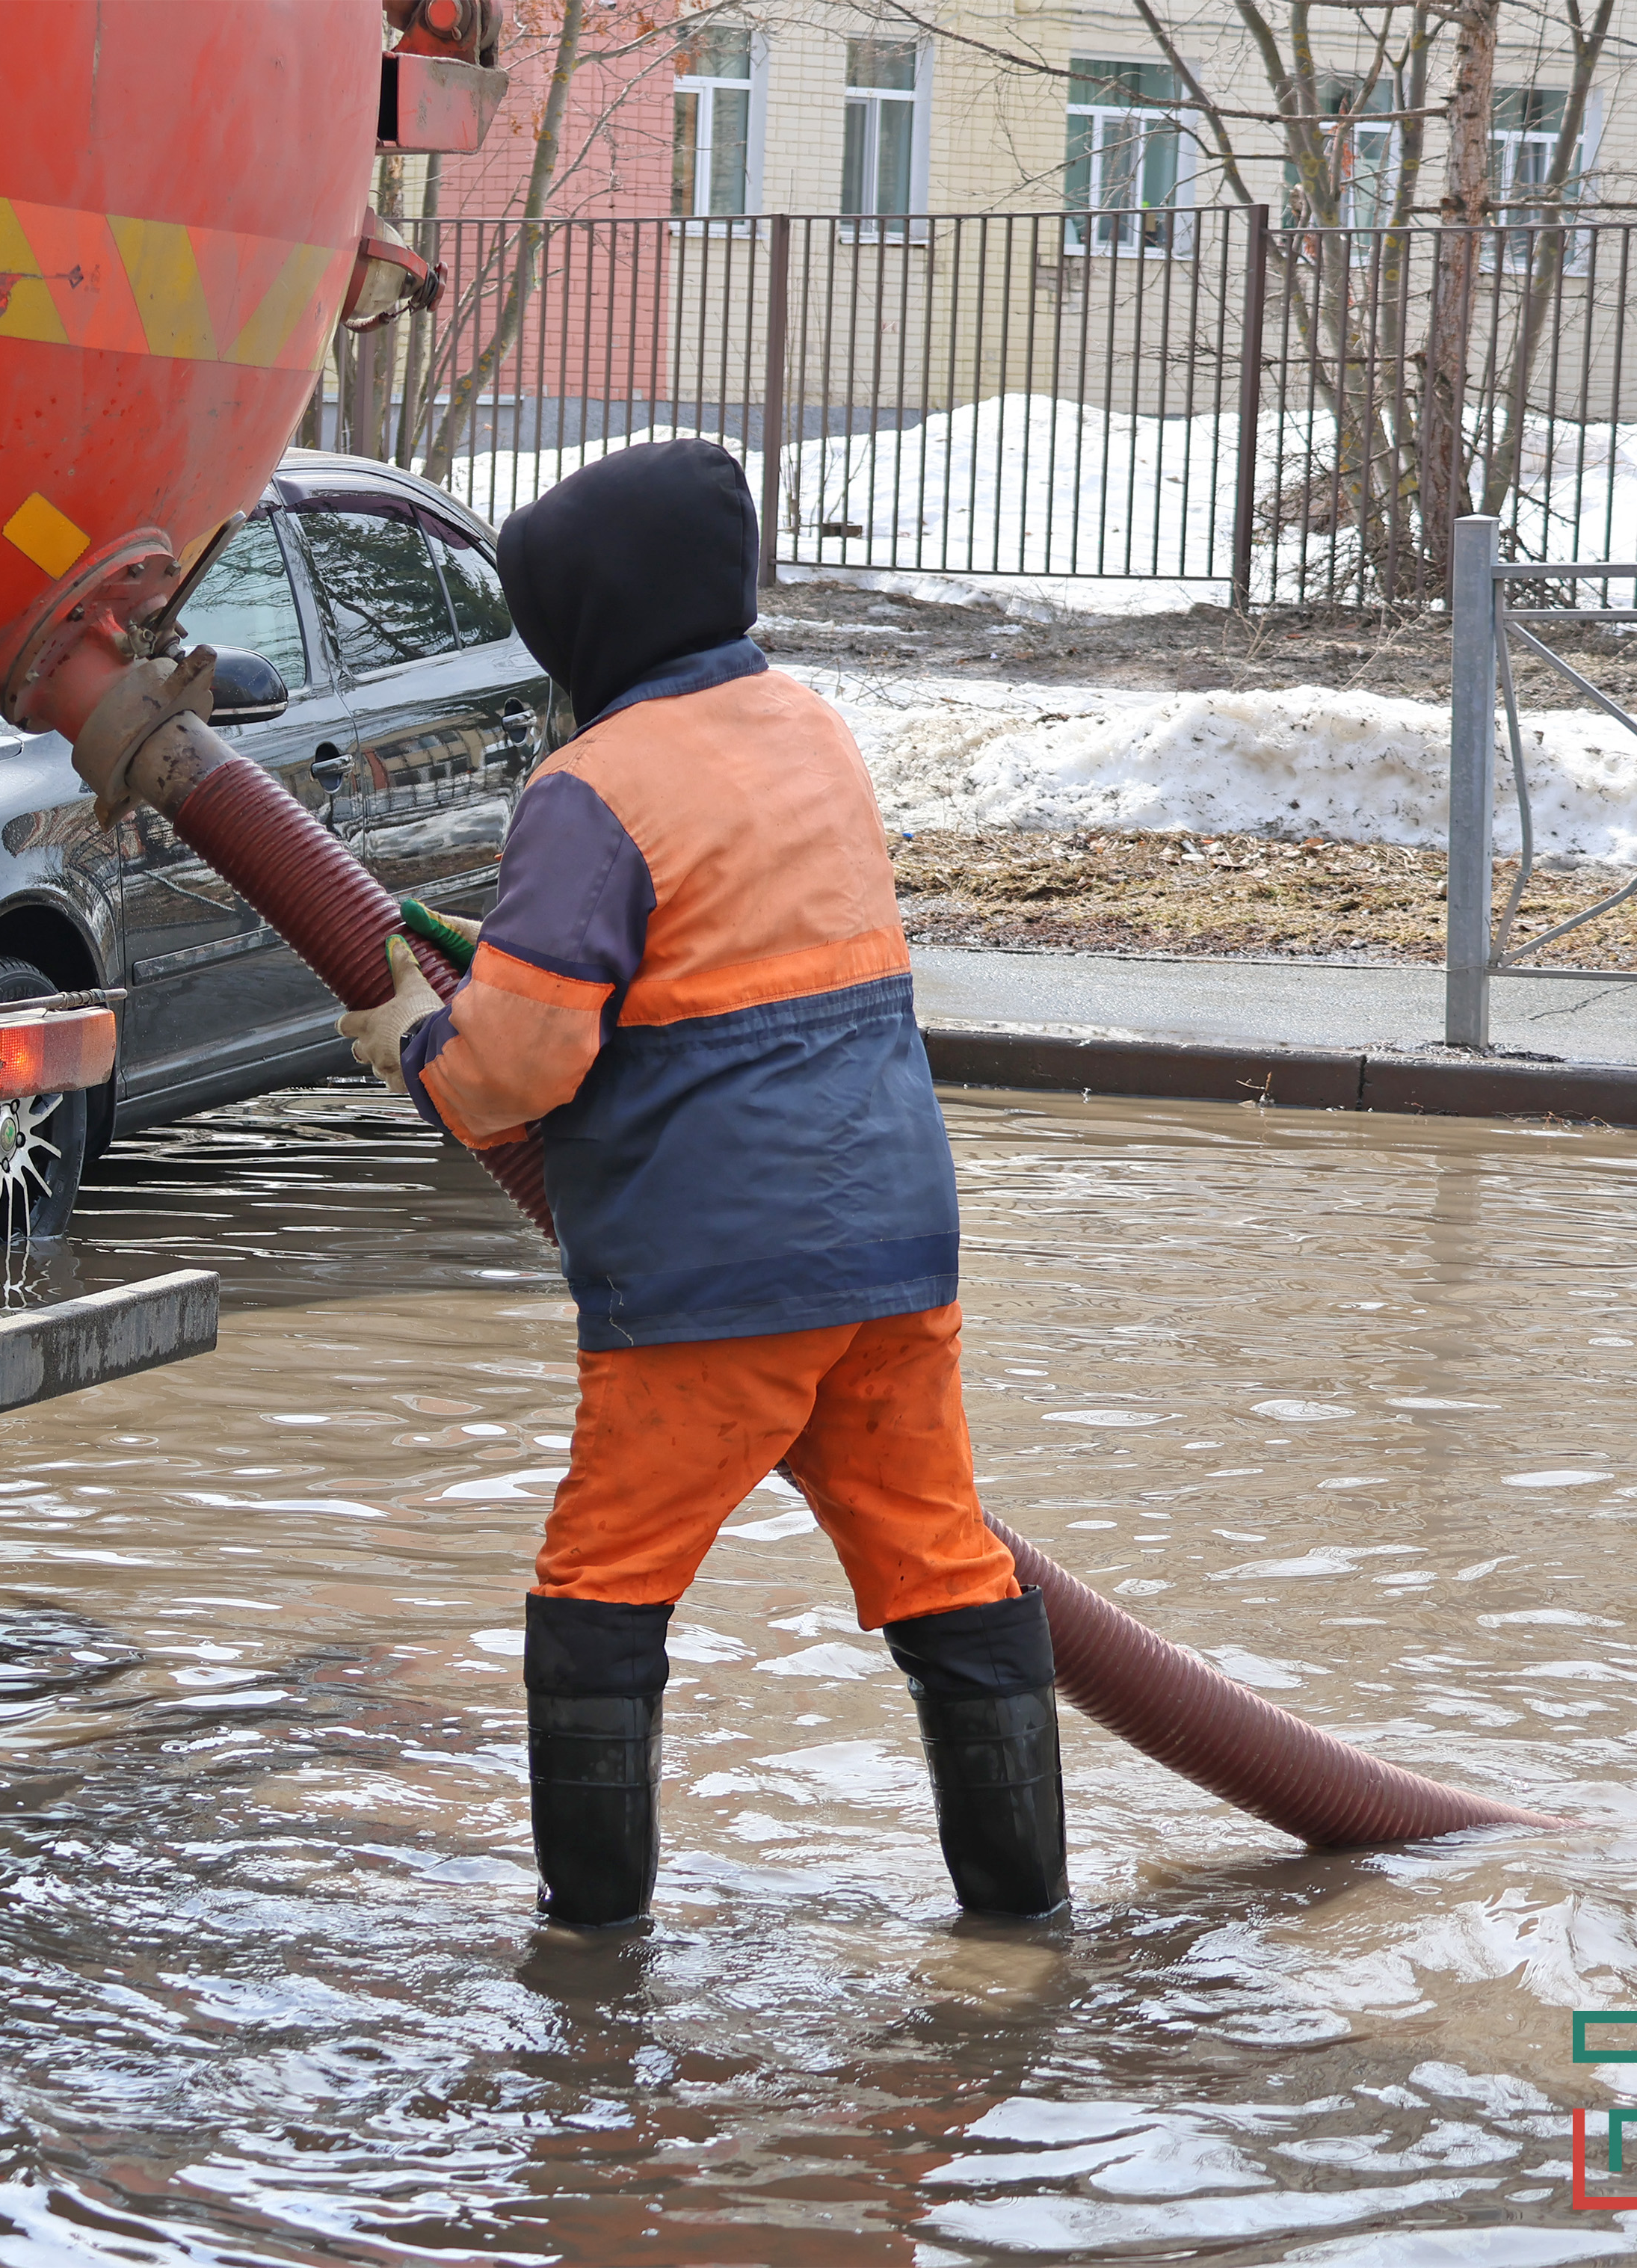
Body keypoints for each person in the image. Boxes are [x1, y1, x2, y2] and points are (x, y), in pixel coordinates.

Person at [335, 439, 1064, 1931]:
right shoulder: (807, 726)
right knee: (945, 1565)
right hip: (893, 1243)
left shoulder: (591, 785)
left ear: (587, 623)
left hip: (709, 1275)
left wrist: (417, 1045)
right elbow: (723, 959)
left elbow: (524, 1063)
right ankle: (1018, 1925)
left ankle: (589, 1958)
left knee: (602, 1581)